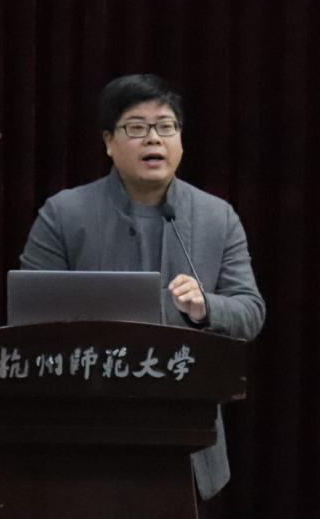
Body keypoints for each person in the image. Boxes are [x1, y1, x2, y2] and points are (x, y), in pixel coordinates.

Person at [19, 73, 266, 502]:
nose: (154, 138)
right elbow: (26, 315)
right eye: (136, 127)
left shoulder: (217, 217)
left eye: (165, 126)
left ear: (180, 139)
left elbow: (250, 312)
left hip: (186, 437)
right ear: (109, 142)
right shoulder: (63, 214)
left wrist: (207, 307)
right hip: (80, 431)